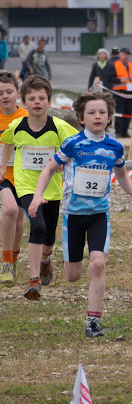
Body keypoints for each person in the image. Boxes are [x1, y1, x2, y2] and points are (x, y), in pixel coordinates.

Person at [28, 92, 132, 337]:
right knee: (73, 276)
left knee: (98, 264)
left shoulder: (114, 146)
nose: (97, 116)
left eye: (102, 112)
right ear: (81, 118)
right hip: (73, 216)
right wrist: (38, 195)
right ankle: (47, 261)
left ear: (109, 117)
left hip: (99, 215)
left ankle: (93, 322)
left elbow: (122, 174)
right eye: (91, 113)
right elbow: (49, 168)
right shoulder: (73, 144)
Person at [0, 75, 78, 300]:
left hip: (51, 189)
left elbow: (77, 146)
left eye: (41, 98)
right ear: (23, 102)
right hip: (25, 187)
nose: (36, 102)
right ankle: (33, 279)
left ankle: (45, 260)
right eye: (31, 98)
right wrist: (3, 167)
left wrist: (66, 164)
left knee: (49, 236)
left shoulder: (60, 127)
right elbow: (7, 142)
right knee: (37, 225)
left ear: (49, 102)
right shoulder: (17, 125)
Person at [0, 72, 28, 286]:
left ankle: (14, 256)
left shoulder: (27, 117)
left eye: (9, 91)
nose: (5, 96)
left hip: (23, 174)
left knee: (19, 219)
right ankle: (6, 261)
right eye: (0, 93)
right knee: (9, 209)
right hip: (3, 174)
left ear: (18, 93)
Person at [109, 47, 132, 138]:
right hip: (119, 92)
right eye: (124, 54)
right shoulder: (114, 65)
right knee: (120, 112)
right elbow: (110, 78)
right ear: (120, 55)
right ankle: (118, 131)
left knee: (128, 113)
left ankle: (125, 131)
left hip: (130, 93)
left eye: (127, 54)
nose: (126, 56)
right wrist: (119, 80)